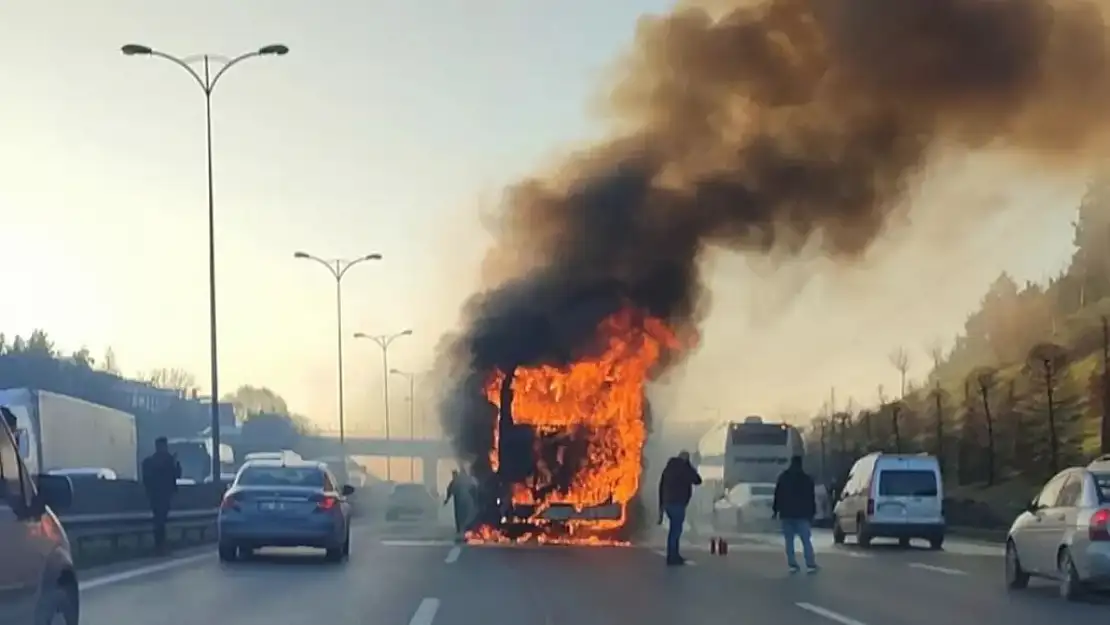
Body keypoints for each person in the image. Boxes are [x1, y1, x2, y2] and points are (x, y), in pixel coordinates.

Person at [772, 455, 819, 574]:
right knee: (806, 540)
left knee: (789, 541)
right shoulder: (807, 479)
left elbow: (777, 495)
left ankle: (792, 564)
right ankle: (810, 563)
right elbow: (811, 498)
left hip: (786, 514)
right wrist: (812, 513)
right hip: (802, 514)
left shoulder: (783, 477)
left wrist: (775, 510)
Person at [657, 450, 702, 566]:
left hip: (668, 504)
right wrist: (689, 466)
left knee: (673, 531)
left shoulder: (668, 469)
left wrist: (661, 509)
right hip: (678, 503)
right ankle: (673, 557)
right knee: (676, 531)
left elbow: (661, 488)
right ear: (686, 459)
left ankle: (673, 555)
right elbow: (697, 480)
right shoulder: (684, 469)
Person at [141, 437, 182, 554]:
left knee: (159, 519)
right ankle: (160, 545)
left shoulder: (152, 461)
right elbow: (177, 475)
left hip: (156, 495)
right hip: (163, 494)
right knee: (160, 520)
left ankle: (159, 544)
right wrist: (175, 464)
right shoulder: (167, 460)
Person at [443, 468, 474, 541]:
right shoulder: (466, 480)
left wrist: (447, 500)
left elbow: (449, 490)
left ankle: (460, 529)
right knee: (464, 514)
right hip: (465, 500)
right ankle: (462, 528)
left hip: (459, 500)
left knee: (459, 515)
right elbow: (450, 490)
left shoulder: (456, 481)